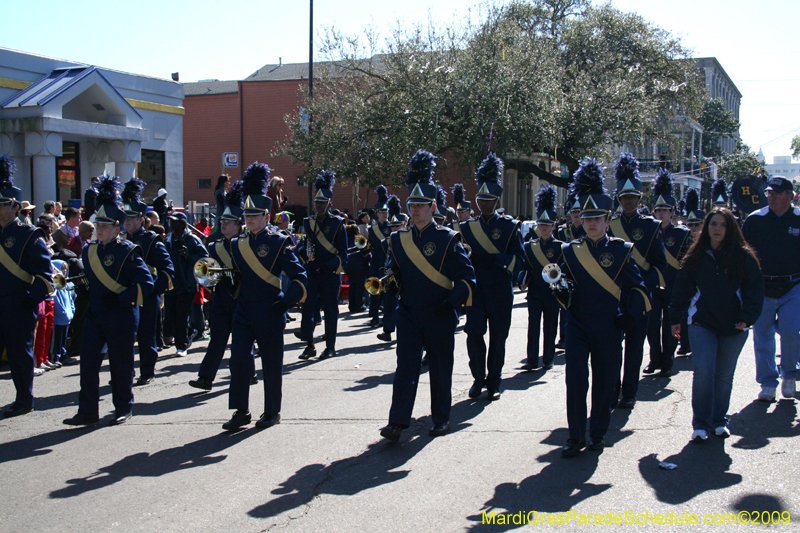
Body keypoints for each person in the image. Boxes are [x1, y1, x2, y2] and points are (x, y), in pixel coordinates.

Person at [379, 149, 475, 442]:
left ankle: (441, 418)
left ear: (433, 206)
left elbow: (466, 279)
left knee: (440, 370)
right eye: (412, 204)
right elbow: (393, 273)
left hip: (440, 313)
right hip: (408, 313)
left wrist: (450, 304)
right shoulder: (397, 239)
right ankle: (397, 422)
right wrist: (386, 285)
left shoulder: (448, 238)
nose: (416, 209)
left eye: (421, 204)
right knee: (405, 369)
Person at [559, 158, 649, 457]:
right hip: (577, 324)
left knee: (604, 380)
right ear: (580, 220)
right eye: (587, 218)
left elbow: (637, 288)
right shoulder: (570, 251)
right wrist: (558, 288)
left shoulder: (622, 250)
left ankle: (597, 433)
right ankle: (575, 436)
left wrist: (629, 315)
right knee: (575, 380)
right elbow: (560, 285)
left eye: (597, 218)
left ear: (608, 220)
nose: (592, 223)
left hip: (609, 324)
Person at [221, 162, 307, 431]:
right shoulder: (237, 244)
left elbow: (300, 277)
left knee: (271, 364)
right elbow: (237, 277)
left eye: (255, 215)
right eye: (246, 215)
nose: (249, 219)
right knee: (238, 361)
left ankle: (272, 411)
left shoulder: (279, 241)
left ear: (266, 217)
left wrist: (285, 302)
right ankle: (240, 411)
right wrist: (223, 280)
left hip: (270, 309)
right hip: (244, 310)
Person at [63, 176, 154, 426]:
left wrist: (122, 298)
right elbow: (92, 280)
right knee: (88, 365)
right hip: (95, 314)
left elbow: (146, 284)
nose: (99, 229)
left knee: (121, 366)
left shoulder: (128, 251)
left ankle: (123, 407)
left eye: (105, 225)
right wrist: (82, 286)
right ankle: (88, 411)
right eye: (98, 224)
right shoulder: (89, 250)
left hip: (121, 315)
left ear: (117, 228)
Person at [670, 207, 763, 440]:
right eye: (713, 224)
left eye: (722, 225)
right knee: (703, 372)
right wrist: (675, 318)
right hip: (702, 323)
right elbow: (682, 289)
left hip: (735, 326)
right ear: (706, 228)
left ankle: (719, 420)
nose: (717, 229)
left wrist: (747, 317)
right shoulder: (696, 255)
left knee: (723, 375)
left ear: (730, 228)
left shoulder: (743, 256)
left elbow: (754, 290)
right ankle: (700, 424)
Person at [460, 153, 524, 401]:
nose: (483, 204)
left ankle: (494, 380)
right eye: (480, 200)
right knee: (473, 333)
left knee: (498, 336)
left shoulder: (509, 226)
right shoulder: (466, 228)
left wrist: (496, 259)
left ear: (496, 200)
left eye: (488, 200)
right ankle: (478, 378)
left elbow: (520, 259)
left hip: (499, 287)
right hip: (476, 290)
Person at [607, 153, 667, 409]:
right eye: (624, 197)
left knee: (634, 347)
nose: (628, 201)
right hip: (612, 293)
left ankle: (630, 391)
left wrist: (642, 283)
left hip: (639, 296)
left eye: (633, 197)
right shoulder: (608, 224)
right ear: (619, 199)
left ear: (640, 200)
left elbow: (660, 266)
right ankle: (612, 389)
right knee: (611, 347)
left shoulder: (651, 226)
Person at [0, 156, 54, 418]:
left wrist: (27, 300)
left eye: (1, 205)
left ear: (13, 206)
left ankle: (24, 399)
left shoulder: (29, 235)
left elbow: (46, 277)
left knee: (20, 356)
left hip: (17, 305)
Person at [741, 176, 800, 401]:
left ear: (790, 196)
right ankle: (767, 382)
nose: (771, 197)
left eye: (777, 193)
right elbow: (743, 253)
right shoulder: (755, 220)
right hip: (763, 286)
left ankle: (790, 375)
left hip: (794, 286)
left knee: (790, 332)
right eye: (769, 193)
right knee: (763, 336)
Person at [190, 181, 248, 390]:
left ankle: (246, 373)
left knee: (242, 343)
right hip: (221, 299)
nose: (223, 224)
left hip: (242, 299)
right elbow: (209, 270)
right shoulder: (214, 246)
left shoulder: (246, 245)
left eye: (229, 221)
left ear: (239, 224)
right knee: (217, 340)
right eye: (222, 220)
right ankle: (206, 378)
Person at [121, 178, 175, 385]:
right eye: (125, 217)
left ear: (142, 219)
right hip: (124, 293)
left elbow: (168, 270)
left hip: (146, 295)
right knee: (123, 338)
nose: (127, 221)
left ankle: (147, 371)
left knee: (146, 335)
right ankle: (125, 371)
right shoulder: (120, 240)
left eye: (132, 217)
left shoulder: (151, 240)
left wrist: (153, 290)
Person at [644, 168, 691, 377]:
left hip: (674, 286)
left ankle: (668, 359)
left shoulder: (682, 234)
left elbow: (687, 263)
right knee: (651, 325)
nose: (661, 213)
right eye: (658, 210)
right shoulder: (647, 233)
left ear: (672, 212)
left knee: (671, 325)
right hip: (654, 286)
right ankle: (655, 358)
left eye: (665, 210)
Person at [297, 170, 348, 360]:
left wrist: (329, 265)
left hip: (330, 272)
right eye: (317, 203)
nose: (318, 206)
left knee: (330, 309)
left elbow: (343, 253)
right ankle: (309, 344)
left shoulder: (338, 224)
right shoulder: (308, 223)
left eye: (322, 203)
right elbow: (305, 245)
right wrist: (303, 252)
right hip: (312, 270)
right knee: (308, 307)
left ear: (329, 204)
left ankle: (330, 346)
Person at [522, 185, 564, 371]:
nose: (544, 228)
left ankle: (548, 358)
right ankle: (531, 359)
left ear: (553, 226)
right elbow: (525, 266)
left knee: (550, 326)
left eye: (547, 225)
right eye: (541, 224)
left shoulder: (562, 247)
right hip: (535, 290)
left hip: (552, 292)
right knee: (533, 327)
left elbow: (565, 270)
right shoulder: (530, 246)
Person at [163, 212, 207, 356]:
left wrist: (189, 256)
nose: (171, 224)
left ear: (182, 224)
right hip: (171, 285)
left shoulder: (191, 239)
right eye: (171, 221)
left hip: (186, 284)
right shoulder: (168, 240)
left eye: (175, 222)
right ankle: (191, 331)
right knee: (170, 316)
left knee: (181, 316)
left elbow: (204, 259)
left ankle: (182, 346)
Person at [376, 197, 407, 343]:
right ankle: (387, 331)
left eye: (398, 226)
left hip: (407, 277)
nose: (394, 229)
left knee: (404, 307)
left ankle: (404, 333)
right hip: (391, 277)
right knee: (389, 304)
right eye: (393, 226)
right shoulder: (385, 241)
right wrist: (383, 275)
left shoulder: (410, 239)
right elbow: (382, 259)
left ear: (404, 225)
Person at [366, 185, 391, 328]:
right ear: (377, 213)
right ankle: (374, 316)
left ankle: (386, 318)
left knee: (387, 292)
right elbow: (370, 245)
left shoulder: (392, 226)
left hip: (387, 262)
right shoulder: (372, 229)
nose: (384, 214)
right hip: (375, 261)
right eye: (382, 212)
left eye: (386, 212)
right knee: (373, 290)